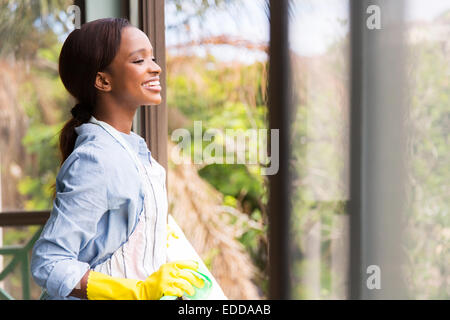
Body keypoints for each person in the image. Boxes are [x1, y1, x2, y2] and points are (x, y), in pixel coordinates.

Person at [30, 17, 203, 300]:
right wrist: (138, 291)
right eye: (139, 61)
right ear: (103, 80)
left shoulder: (133, 150)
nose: (156, 68)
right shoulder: (96, 158)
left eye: (153, 58)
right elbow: (49, 262)